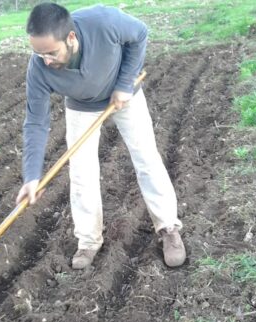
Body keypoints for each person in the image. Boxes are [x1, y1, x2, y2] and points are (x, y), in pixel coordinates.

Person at [15, 3, 186, 269]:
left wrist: (124, 83)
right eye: (39, 54)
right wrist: (32, 175)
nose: (46, 60)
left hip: (124, 96)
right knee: (81, 173)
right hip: (81, 107)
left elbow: (140, 34)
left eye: (51, 53)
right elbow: (36, 121)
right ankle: (88, 240)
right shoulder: (39, 66)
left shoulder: (103, 21)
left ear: (71, 38)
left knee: (147, 159)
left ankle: (168, 229)